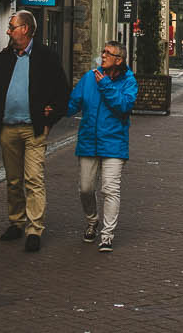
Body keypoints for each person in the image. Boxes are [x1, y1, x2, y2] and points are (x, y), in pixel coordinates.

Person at [0, 9, 71, 251]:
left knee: (33, 178)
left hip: (34, 129)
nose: (8, 31)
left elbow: (62, 92)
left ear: (25, 29)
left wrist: (50, 118)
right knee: (13, 180)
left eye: (12, 27)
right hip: (8, 128)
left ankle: (34, 229)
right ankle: (16, 222)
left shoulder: (46, 57)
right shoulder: (5, 57)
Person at [67, 40, 137, 252]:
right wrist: (54, 108)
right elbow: (73, 103)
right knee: (86, 188)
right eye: (103, 51)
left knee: (110, 188)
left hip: (114, 143)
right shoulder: (90, 77)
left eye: (108, 53)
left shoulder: (129, 81)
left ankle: (107, 235)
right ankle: (92, 220)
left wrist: (106, 85)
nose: (103, 55)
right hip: (89, 141)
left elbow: (124, 106)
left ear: (119, 60)